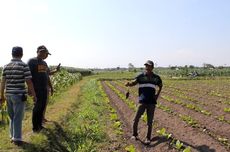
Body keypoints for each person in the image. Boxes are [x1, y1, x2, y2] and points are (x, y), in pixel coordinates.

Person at [0, 46, 36, 146]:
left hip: (8, 95)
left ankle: (12, 136)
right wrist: (34, 95)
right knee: (18, 117)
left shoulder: (6, 66)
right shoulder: (24, 66)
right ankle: (17, 138)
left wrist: (2, 96)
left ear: (12, 54)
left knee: (12, 117)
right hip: (19, 95)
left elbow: (2, 82)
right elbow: (29, 82)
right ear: (22, 54)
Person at [125, 60, 163, 145]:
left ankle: (148, 138)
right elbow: (133, 83)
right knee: (136, 119)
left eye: (149, 66)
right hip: (142, 101)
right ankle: (134, 135)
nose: (147, 67)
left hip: (152, 102)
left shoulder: (156, 78)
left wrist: (157, 95)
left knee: (150, 121)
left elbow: (160, 86)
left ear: (152, 67)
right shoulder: (140, 76)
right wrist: (128, 84)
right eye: (146, 66)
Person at [27, 45, 54, 132]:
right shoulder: (31, 61)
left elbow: (47, 74)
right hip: (36, 89)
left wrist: (50, 87)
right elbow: (28, 76)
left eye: (46, 53)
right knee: (37, 107)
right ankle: (35, 128)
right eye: (44, 52)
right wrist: (30, 89)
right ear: (39, 52)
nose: (45, 55)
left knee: (42, 107)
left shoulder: (44, 63)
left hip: (44, 88)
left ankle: (40, 125)